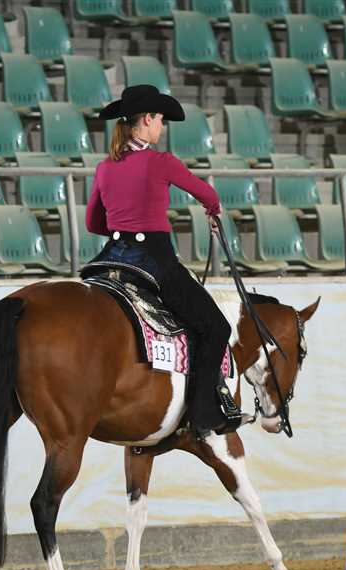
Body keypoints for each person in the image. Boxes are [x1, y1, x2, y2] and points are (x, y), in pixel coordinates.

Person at [85, 85, 243, 438]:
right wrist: (213, 209)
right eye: (159, 120)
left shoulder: (105, 168)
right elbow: (208, 193)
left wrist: (123, 223)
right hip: (153, 261)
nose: (161, 126)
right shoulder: (161, 162)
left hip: (111, 259)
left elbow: (93, 223)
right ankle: (203, 413)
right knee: (216, 327)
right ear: (146, 120)